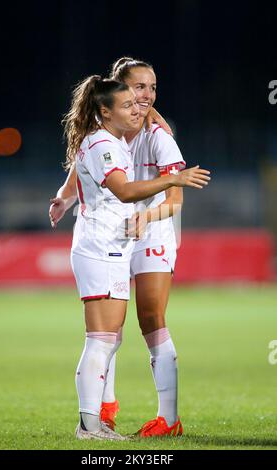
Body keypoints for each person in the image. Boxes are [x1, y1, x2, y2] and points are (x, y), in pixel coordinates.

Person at [50, 74, 210, 440]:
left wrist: (65, 198)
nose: (143, 99)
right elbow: (120, 189)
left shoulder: (133, 135)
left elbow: (85, 167)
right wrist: (174, 180)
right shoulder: (106, 141)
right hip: (104, 243)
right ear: (108, 106)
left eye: (151, 89)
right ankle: (92, 422)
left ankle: (127, 419)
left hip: (121, 241)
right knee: (103, 337)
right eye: (134, 93)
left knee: (116, 334)